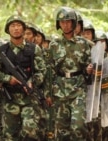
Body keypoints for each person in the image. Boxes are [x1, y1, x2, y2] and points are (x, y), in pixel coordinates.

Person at [0, 15, 46, 141]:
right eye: (12, 26)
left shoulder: (33, 49)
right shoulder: (1, 51)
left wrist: (32, 82)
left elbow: (42, 71)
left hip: (29, 99)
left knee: (29, 132)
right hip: (10, 99)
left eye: (19, 25)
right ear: (8, 30)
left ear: (23, 29)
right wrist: (7, 78)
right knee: (10, 136)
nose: (16, 29)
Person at [46, 6, 92, 140]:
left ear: (74, 23)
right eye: (62, 22)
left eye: (68, 22)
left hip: (78, 89)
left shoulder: (83, 44)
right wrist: (48, 93)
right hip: (59, 89)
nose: (65, 25)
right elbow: (50, 70)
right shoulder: (54, 45)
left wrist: (88, 70)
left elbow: (87, 67)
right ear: (58, 24)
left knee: (78, 126)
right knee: (61, 131)